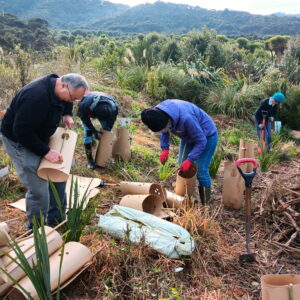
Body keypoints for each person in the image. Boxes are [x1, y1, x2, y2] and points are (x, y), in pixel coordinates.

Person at [1, 73, 88, 228]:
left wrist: (67, 113)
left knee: (58, 176)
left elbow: (66, 100)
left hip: (39, 135)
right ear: (63, 86)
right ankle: (36, 232)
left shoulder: (60, 85)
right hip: (19, 140)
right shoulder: (35, 97)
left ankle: (56, 222)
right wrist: (46, 152)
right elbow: (22, 132)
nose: (72, 101)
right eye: (72, 98)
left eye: (75, 99)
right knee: (39, 189)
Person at [141, 99, 218, 205]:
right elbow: (164, 130)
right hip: (188, 136)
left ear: (168, 122)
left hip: (207, 136)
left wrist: (190, 159)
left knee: (201, 169)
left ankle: (206, 205)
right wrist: (165, 149)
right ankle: (183, 201)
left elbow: (201, 141)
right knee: (182, 167)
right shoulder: (158, 113)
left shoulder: (186, 119)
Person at [77, 91, 118, 169]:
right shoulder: (85, 104)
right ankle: (90, 160)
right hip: (88, 108)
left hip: (104, 111)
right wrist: (94, 131)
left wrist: (105, 132)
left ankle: (102, 159)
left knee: (107, 134)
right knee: (88, 133)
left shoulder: (114, 108)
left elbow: (110, 124)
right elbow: (84, 118)